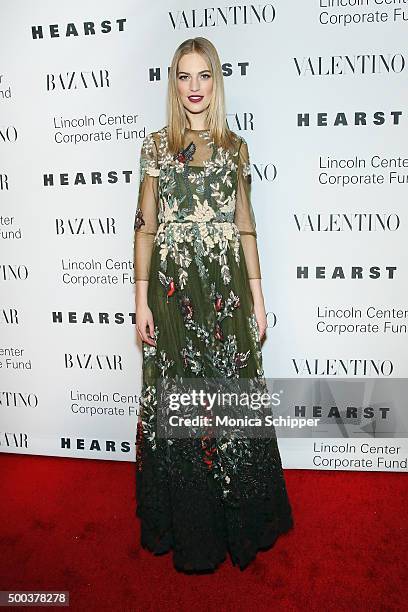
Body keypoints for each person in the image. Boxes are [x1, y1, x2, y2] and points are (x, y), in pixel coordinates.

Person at [133, 36, 294, 573]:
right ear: (174, 83)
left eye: (204, 76)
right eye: (185, 76)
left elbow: (246, 226)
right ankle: (192, 528)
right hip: (174, 294)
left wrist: (259, 296)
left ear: (216, 82)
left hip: (225, 291)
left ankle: (242, 521)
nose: (195, 87)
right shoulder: (156, 147)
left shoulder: (234, 148)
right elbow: (145, 228)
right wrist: (140, 299)